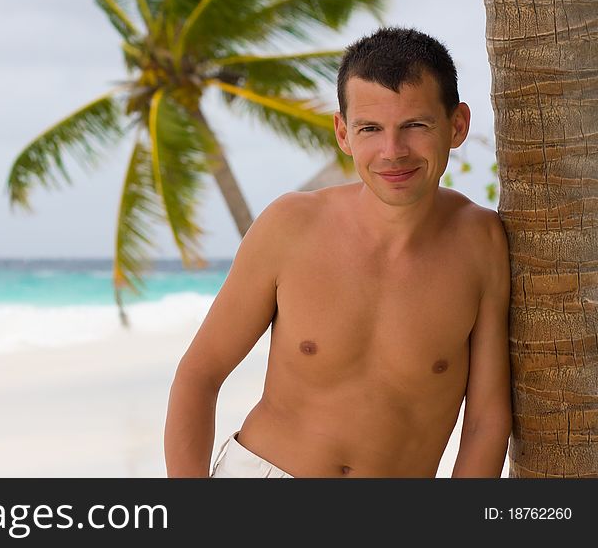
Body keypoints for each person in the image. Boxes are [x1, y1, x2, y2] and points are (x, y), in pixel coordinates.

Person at [164, 27, 512, 478]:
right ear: (343, 133)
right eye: (371, 129)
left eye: (415, 125)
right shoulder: (290, 226)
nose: (393, 151)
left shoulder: (480, 243)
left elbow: (486, 421)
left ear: (457, 125)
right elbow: (199, 374)